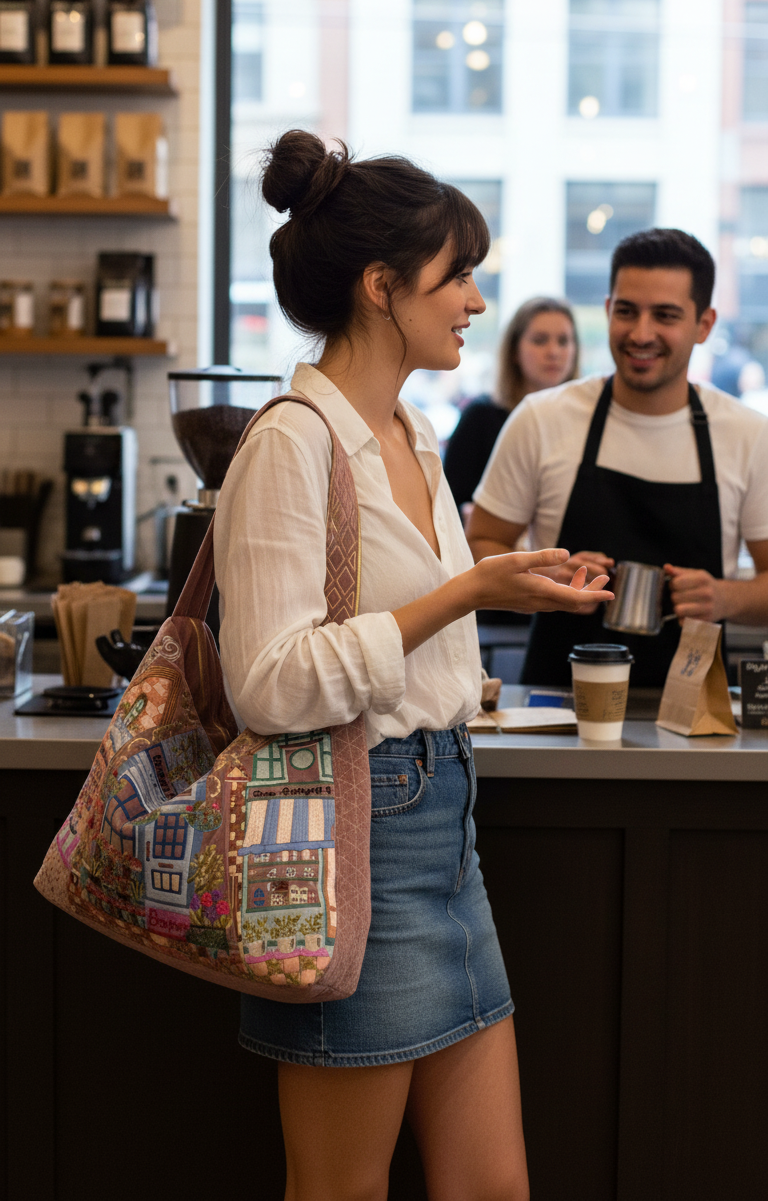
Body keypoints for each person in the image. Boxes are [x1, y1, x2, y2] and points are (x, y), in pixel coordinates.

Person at [214, 129, 612, 1201]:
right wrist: (471, 592)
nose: (478, 303)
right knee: (339, 1188)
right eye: (458, 277)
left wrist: (509, 579)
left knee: (492, 1184)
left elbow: (410, 626)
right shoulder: (289, 443)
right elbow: (268, 681)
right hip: (358, 834)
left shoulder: (413, 430)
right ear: (382, 287)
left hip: (445, 830)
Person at [467, 227, 768, 689]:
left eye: (665, 315)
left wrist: (724, 597)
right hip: (555, 712)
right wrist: (545, 572)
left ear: (704, 325)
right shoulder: (542, 419)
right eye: (627, 311)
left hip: (693, 718)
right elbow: (478, 545)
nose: (641, 333)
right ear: (608, 310)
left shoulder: (747, 435)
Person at [443, 295, 579, 515]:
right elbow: (448, 504)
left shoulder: (584, 419)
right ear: (515, 350)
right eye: (540, 340)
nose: (554, 352)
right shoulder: (481, 416)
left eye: (563, 341)